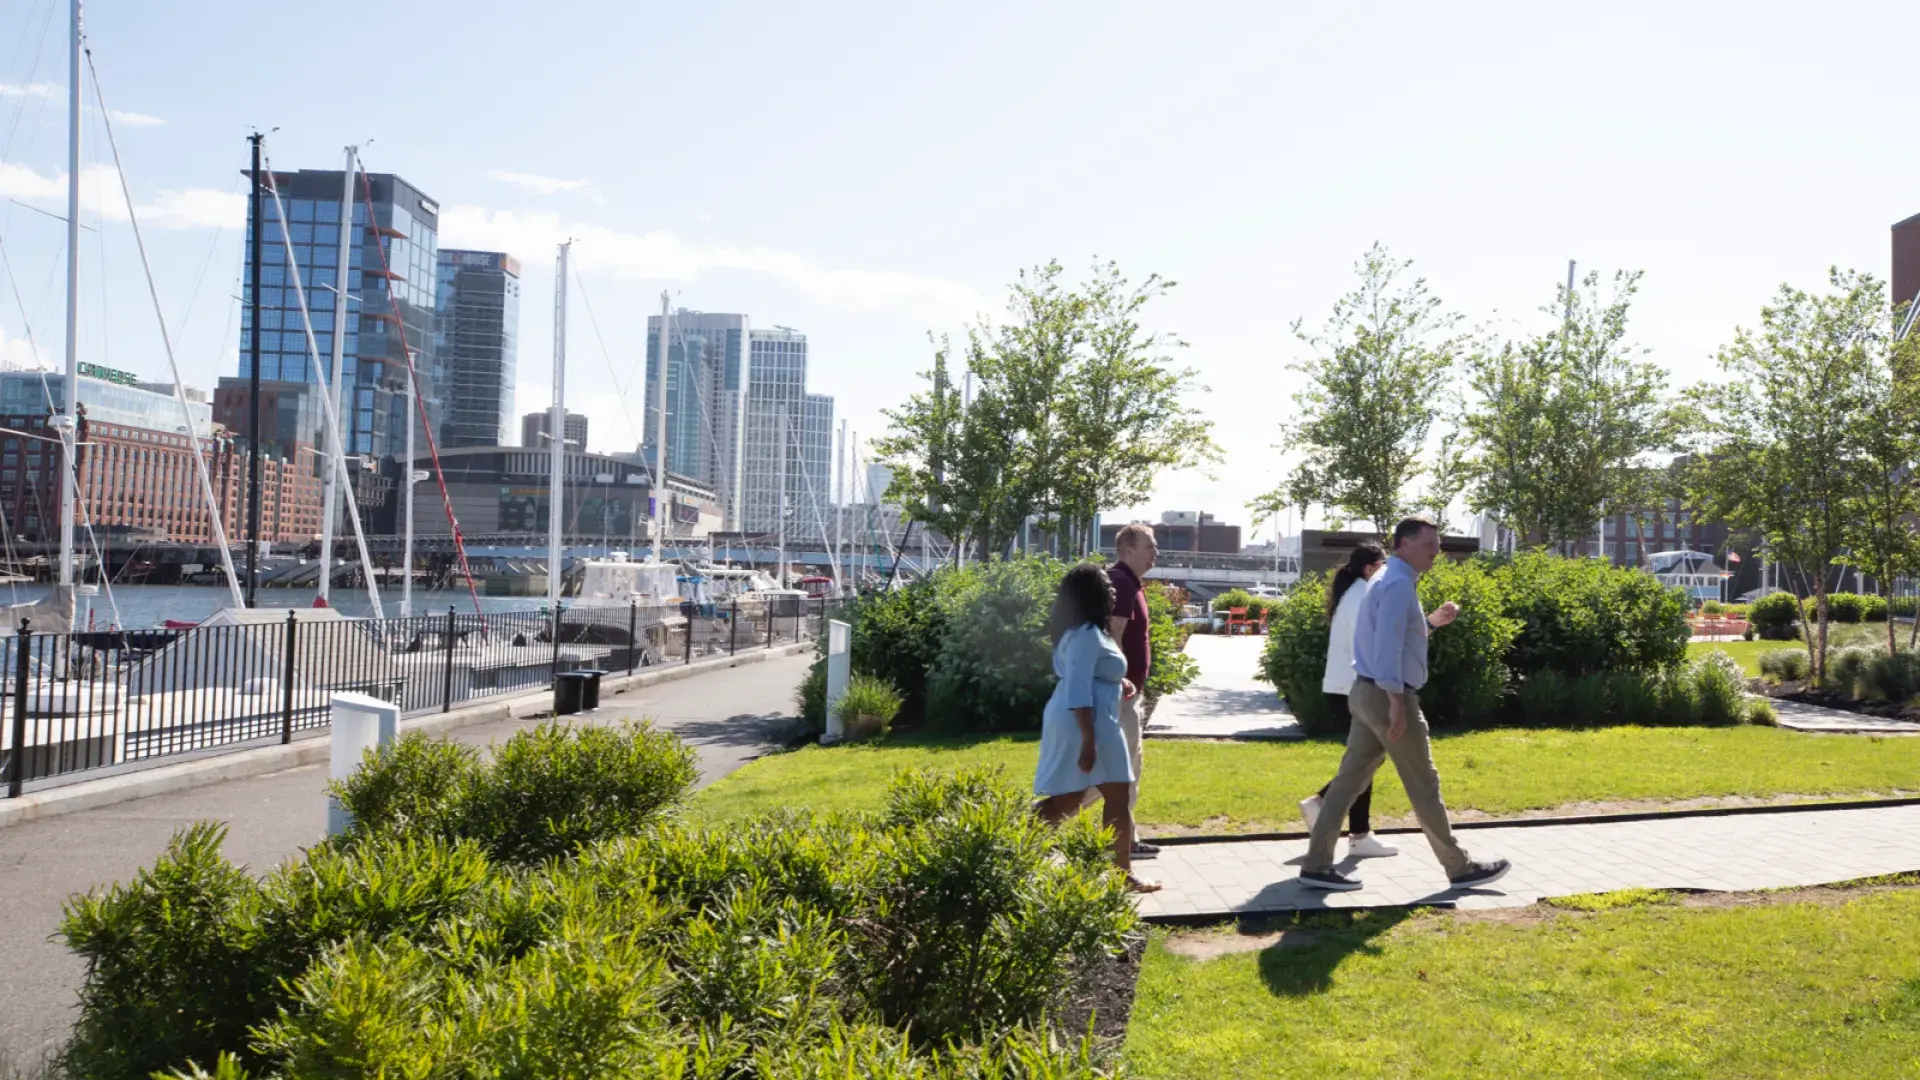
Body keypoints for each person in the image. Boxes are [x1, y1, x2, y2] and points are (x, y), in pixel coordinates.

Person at [1299, 516, 1511, 893]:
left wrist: (1431, 623)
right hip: (1386, 696)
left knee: (1348, 784)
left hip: (1366, 692)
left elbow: (1396, 636)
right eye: (1430, 544)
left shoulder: (1385, 579)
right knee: (1424, 784)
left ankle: (1316, 865)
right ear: (1404, 545)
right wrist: (1397, 702)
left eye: (1438, 544)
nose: (1437, 551)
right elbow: (1387, 650)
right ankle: (1459, 868)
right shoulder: (1396, 583)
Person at [1035, 563, 1159, 893]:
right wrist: (1088, 739)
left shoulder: (1089, 632)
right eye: (1106, 585)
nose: (1113, 589)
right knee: (1068, 800)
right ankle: (1012, 850)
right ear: (1092, 594)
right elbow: (1077, 689)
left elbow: (1092, 677)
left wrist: (1119, 684)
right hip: (1085, 725)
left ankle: (1123, 874)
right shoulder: (1085, 637)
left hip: (1100, 722)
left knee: (1117, 797)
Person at [1297, 541, 1400, 859]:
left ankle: (1357, 834)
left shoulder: (1355, 593)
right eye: (1384, 564)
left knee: (1366, 758)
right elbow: (1377, 645)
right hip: (1353, 690)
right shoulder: (1363, 596)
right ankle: (1329, 809)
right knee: (1367, 759)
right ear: (1371, 568)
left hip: (1345, 689)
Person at [1081, 523, 1159, 861]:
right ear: (1128, 550)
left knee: (1129, 768)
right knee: (1117, 771)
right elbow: (1114, 633)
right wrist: (1118, 680)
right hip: (1120, 695)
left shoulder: (1130, 583)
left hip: (1127, 693)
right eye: (1149, 546)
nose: (1155, 553)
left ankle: (1126, 839)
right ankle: (1042, 816)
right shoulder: (1122, 583)